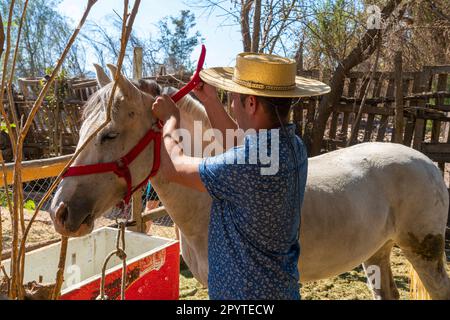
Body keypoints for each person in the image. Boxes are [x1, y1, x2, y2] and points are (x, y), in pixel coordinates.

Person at [152, 52, 330, 300]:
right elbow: (237, 142)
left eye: (233, 98)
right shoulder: (292, 146)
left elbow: (174, 166)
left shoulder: (242, 164)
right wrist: (211, 101)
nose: (232, 106)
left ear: (251, 104)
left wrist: (171, 119)